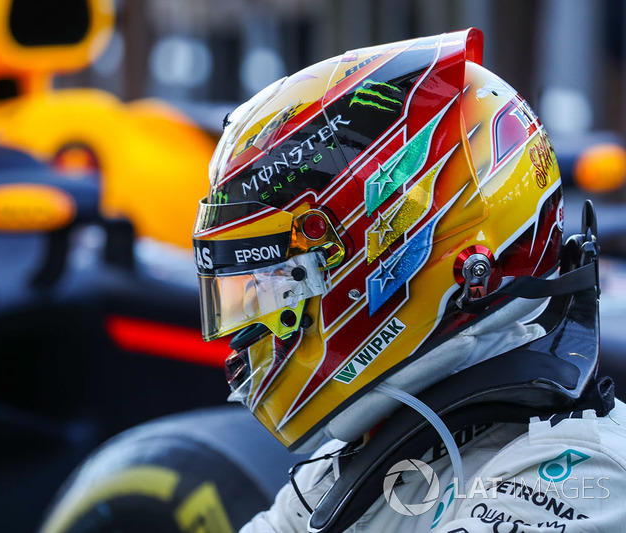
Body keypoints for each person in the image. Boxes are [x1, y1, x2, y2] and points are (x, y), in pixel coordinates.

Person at [192, 28, 626, 532]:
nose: (252, 320)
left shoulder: (579, 476)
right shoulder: (363, 447)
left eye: (277, 281)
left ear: (395, 249)